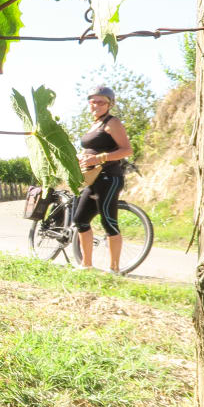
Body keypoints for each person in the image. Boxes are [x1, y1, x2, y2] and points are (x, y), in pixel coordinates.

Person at [73, 85, 133, 273]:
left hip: (109, 177)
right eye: (93, 101)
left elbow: (126, 150)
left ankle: (114, 269)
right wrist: (81, 157)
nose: (96, 105)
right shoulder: (94, 124)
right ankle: (87, 265)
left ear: (109, 104)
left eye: (101, 102)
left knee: (108, 221)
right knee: (80, 219)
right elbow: (90, 149)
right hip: (93, 179)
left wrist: (99, 158)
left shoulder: (112, 123)